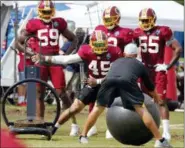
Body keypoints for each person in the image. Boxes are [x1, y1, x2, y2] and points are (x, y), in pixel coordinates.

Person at [79, 43, 172, 147]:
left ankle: (83, 135)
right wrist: (157, 97)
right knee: (141, 110)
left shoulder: (116, 62)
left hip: (108, 81)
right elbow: (149, 86)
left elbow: (110, 75)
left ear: (124, 54)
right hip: (127, 82)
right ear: (136, 55)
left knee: (97, 108)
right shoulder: (139, 65)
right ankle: (160, 140)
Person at [31, 30, 122, 137]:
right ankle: (54, 128)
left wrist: (97, 81)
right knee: (74, 108)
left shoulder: (114, 52)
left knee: (112, 107)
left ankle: (112, 130)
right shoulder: (86, 50)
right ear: (91, 44)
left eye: (102, 45)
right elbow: (67, 59)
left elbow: (116, 74)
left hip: (108, 84)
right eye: (97, 45)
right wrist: (45, 58)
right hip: (92, 84)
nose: (100, 48)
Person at [15, 0, 79, 136]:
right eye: (44, 12)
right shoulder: (33, 23)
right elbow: (18, 43)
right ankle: (40, 123)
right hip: (40, 61)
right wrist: (32, 53)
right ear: (39, 11)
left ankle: (74, 123)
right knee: (39, 94)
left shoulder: (59, 22)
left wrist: (65, 57)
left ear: (53, 11)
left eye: (49, 12)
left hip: (55, 60)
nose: (46, 14)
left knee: (62, 93)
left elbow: (74, 39)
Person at [133, 8, 182, 141]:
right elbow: (132, 48)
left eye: (147, 20)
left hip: (158, 69)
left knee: (160, 101)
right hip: (143, 70)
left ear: (153, 19)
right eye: (143, 20)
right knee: (141, 101)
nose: (145, 23)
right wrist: (135, 58)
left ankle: (166, 131)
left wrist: (167, 66)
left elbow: (178, 49)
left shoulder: (162, 31)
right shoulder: (137, 32)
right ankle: (144, 127)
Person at [92, 6, 134, 138]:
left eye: (111, 18)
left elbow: (128, 51)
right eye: (107, 19)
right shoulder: (99, 29)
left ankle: (111, 127)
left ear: (117, 19)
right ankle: (92, 126)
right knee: (94, 97)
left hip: (115, 67)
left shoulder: (125, 32)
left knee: (113, 97)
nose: (109, 21)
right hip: (100, 65)